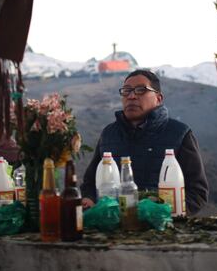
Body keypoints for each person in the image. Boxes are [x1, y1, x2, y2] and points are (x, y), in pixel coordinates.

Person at [80, 69, 209, 215]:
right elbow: (90, 183)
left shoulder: (179, 134)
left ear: (158, 98)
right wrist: (88, 199)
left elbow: (197, 192)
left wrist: (167, 214)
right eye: (126, 91)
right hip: (113, 226)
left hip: (162, 230)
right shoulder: (109, 134)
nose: (132, 96)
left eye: (141, 90)